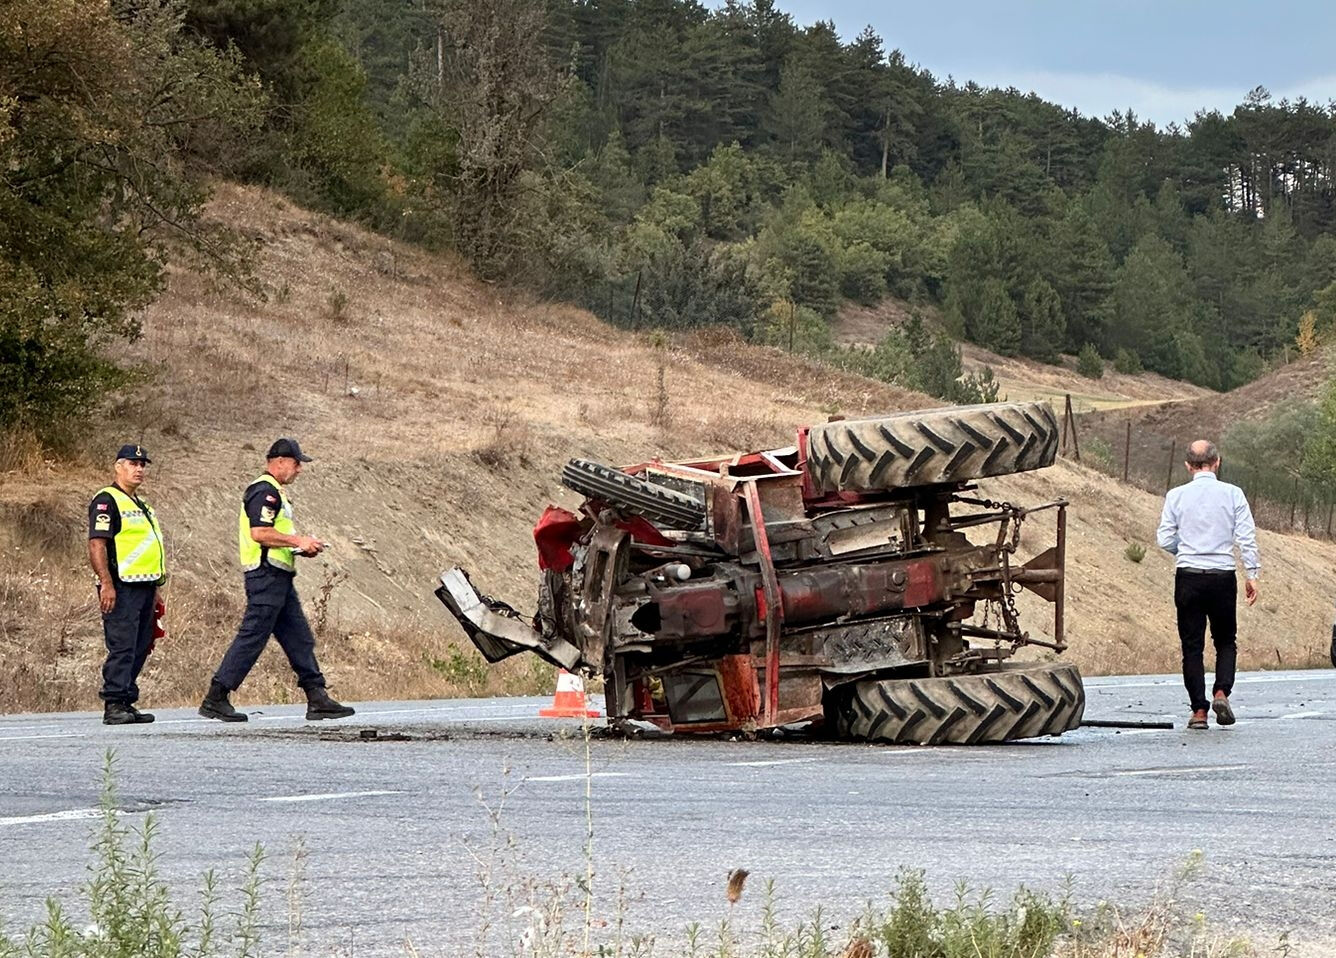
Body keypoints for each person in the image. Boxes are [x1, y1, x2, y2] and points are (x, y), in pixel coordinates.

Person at [199, 438, 354, 722]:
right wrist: (298, 540)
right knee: (253, 636)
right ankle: (216, 695)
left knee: (299, 637)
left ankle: (316, 696)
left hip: (278, 576)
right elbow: (260, 533)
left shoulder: (276, 493)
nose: (299, 470)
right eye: (297, 464)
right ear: (280, 461)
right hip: (265, 575)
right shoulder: (265, 492)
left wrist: (300, 548)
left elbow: (272, 535)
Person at [1156, 439, 1260, 730]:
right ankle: (1221, 692)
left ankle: (1199, 712)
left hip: (1188, 575)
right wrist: (1251, 574)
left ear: (1188, 465)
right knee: (1225, 640)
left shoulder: (1176, 496)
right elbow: (1246, 536)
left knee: (1192, 646)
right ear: (1217, 462)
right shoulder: (1233, 494)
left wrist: (1186, 549)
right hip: (1222, 575)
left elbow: (1164, 538)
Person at [88, 444, 166, 725]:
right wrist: (105, 583)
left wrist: (156, 589)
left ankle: (126, 699)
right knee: (122, 645)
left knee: (141, 643)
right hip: (120, 587)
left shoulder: (141, 504)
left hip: (144, 586)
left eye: (143, 464)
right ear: (118, 467)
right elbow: (97, 543)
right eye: (133, 463)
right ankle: (114, 702)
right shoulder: (107, 501)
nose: (139, 469)